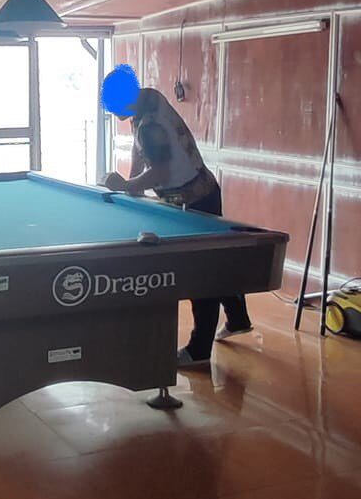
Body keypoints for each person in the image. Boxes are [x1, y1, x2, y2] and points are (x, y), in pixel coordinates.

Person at [100, 63, 252, 367]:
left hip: (194, 202)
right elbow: (140, 150)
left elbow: (160, 171)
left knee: (201, 275)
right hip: (203, 190)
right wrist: (132, 183)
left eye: (113, 105)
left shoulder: (150, 126)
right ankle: (238, 319)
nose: (111, 111)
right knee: (217, 263)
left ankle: (199, 351)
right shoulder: (148, 99)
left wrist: (127, 185)